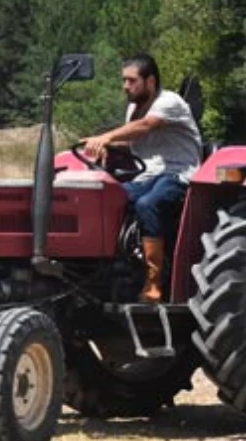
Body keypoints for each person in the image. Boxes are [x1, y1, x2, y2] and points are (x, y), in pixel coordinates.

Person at [80, 53, 202, 303]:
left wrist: (107, 138)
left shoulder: (169, 102)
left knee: (149, 204)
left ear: (150, 81)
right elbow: (134, 140)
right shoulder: (133, 109)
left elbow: (147, 126)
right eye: (124, 81)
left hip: (179, 173)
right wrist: (108, 147)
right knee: (107, 198)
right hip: (146, 175)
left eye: (131, 80)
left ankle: (154, 282)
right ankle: (107, 272)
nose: (126, 86)